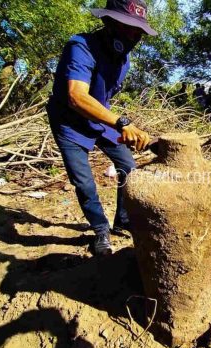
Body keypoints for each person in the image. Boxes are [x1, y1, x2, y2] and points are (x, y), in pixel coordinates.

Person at [46, 0, 155, 256]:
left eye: (138, 30)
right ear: (109, 22)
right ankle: (100, 230)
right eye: (128, 27)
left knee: (128, 167)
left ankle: (123, 220)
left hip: (99, 120)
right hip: (69, 121)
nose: (134, 35)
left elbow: (102, 97)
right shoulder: (81, 47)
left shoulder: (123, 60)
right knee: (84, 182)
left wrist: (121, 128)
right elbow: (76, 96)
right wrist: (122, 123)